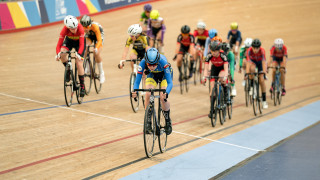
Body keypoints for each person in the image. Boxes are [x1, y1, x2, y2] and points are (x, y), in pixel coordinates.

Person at [131, 48, 173, 135]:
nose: (152, 67)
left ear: (158, 62)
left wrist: (166, 92)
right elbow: (137, 80)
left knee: (162, 96)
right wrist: (135, 91)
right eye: (149, 65)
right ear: (146, 62)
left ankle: (168, 120)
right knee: (148, 93)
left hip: (164, 75)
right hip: (152, 75)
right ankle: (148, 121)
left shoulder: (164, 63)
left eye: (154, 65)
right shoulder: (143, 62)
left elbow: (170, 83)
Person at [56, 15, 86, 97]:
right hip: (69, 41)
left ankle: (82, 86)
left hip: (79, 43)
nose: (75, 29)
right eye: (72, 28)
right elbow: (59, 44)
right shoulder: (64, 30)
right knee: (62, 54)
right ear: (68, 28)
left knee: (79, 62)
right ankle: (68, 70)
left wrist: (79, 54)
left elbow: (82, 44)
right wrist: (58, 54)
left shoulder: (80, 28)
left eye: (75, 27)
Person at [202, 41, 229, 118]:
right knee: (212, 91)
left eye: (215, 51)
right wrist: (204, 77)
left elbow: (226, 69)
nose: (213, 52)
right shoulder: (209, 55)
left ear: (219, 50)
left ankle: (225, 91)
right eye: (212, 50)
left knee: (221, 77)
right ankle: (212, 110)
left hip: (222, 69)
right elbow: (206, 69)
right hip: (214, 69)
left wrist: (225, 76)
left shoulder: (223, 55)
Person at [80, 15, 105, 84]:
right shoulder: (82, 27)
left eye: (87, 27)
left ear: (90, 24)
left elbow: (99, 40)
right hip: (90, 36)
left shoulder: (95, 27)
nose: (85, 29)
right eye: (83, 27)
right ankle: (87, 67)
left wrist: (96, 48)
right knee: (85, 48)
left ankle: (101, 73)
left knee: (96, 53)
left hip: (98, 36)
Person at [246, 38, 268, 109]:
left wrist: (264, 72)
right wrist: (247, 73)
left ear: (259, 47)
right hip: (253, 62)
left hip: (260, 63)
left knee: (261, 80)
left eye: (257, 48)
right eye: (254, 48)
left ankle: (264, 100)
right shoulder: (249, 51)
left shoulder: (262, 51)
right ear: (251, 47)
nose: (255, 50)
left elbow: (264, 62)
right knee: (251, 69)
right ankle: (252, 86)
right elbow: (248, 63)